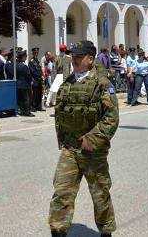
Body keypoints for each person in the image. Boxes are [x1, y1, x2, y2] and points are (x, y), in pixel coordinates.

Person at [49, 40, 119, 237]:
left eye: (79, 57)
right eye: (73, 57)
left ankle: (106, 231)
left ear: (90, 59)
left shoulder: (102, 83)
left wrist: (93, 139)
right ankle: (58, 231)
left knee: (100, 194)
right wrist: (63, 139)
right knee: (61, 192)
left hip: (93, 150)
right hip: (70, 148)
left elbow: (111, 117)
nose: (74, 61)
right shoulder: (68, 83)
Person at [6, 49, 32, 116]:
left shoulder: (15, 65)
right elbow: (28, 76)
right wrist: (30, 82)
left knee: (20, 99)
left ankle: (22, 111)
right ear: (23, 57)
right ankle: (27, 112)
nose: (26, 57)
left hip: (18, 84)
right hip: (25, 84)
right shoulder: (24, 66)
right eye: (25, 56)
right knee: (26, 99)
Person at [29, 47, 44, 112]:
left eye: (37, 52)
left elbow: (40, 69)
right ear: (33, 53)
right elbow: (32, 71)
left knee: (39, 93)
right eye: (35, 52)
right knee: (34, 94)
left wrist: (42, 75)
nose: (36, 53)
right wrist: (39, 75)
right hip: (35, 80)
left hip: (39, 79)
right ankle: (33, 107)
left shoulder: (37, 60)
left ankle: (38, 106)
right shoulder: (31, 61)